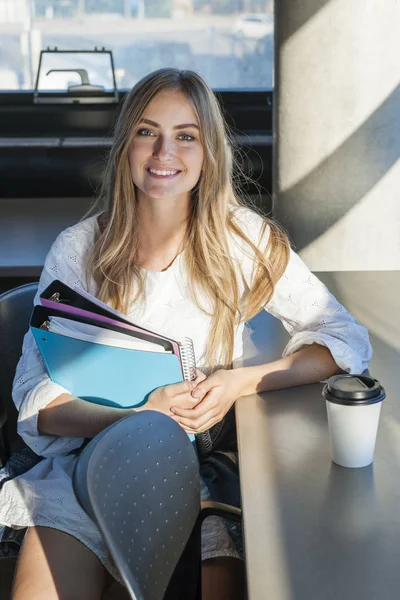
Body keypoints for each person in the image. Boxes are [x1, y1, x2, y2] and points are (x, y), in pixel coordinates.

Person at [0, 68, 372, 600]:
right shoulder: (78, 249)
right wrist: (141, 416)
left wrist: (240, 383)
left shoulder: (244, 240)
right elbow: (37, 403)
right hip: (87, 462)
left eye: (185, 136)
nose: (162, 153)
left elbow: (344, 340)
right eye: (147, 132)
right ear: (126, 144)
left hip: (201, 473)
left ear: (208, 151)